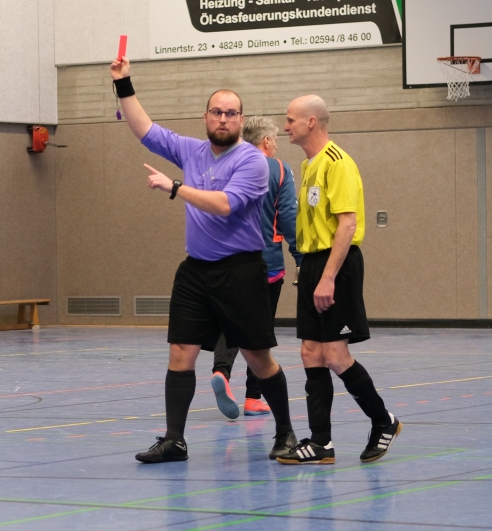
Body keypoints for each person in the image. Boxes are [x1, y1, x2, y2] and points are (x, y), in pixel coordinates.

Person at [110, 57, 297, 463]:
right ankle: (174, 440)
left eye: (231, 113)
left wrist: (175, 187)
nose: (223, 119)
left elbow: (225, 204)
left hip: (240, 270)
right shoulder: (192, 151)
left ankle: (285, 432)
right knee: (181, 352)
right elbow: (144, 128)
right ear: (206, 117)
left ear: (240, 119)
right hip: (196, 271)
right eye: (217, 112)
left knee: (257, 357)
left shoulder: (252, 161)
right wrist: (123, 83)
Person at [276, 95, 402, 465]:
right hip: (313, 263)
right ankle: (321, 443)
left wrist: (328, 277)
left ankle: (383, 421)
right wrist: (309, 271)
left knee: (334, 354)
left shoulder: (337, 163)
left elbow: (347, 224)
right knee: (310, 352)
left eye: (290, 120)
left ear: (311, 122)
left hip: (337, 264)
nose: (285, 126)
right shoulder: (308, 165)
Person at [211, 117, 303, 419]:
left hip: (226, 259)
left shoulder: (227, 166)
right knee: (259, 330)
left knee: (230, 321)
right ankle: (253, 397)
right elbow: (287, 217)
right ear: (266, 141)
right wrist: (300, 257)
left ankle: (221, 371)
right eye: (275, 140)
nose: (276, 145)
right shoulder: (278, 169)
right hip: (267, 263)